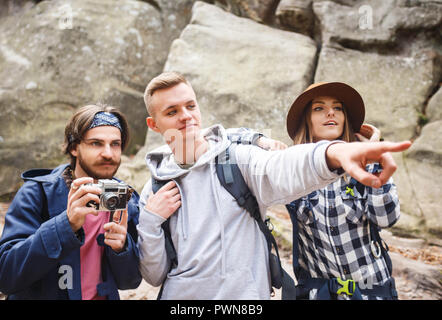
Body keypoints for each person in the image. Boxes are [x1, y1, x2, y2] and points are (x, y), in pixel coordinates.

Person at [136, 71, 410, 300]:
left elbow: (282, 167)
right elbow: (154, 275)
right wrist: (149, 221)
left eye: (191, 106)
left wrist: (334, 153)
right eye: (172, 111)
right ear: (154, 124)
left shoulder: (238, 162)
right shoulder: (155, 189)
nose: (186, 116)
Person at [0, 104, 142, 300]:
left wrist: (121, 249)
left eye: (115, 144)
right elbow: (2, 275)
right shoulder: (37, 193)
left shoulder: (124, 199)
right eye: (96, 143)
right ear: (74, 147)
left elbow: (130, 282)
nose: (108, 153)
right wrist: (66, 225)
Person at [285, 82, 400, 300]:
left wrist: (375, 168)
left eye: (337, 108)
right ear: (306, 121)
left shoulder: (368, 163)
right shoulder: (293, 169)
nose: (331, 112)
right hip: (320, 293)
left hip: (371, 292)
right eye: (319, 108)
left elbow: (387, 219)